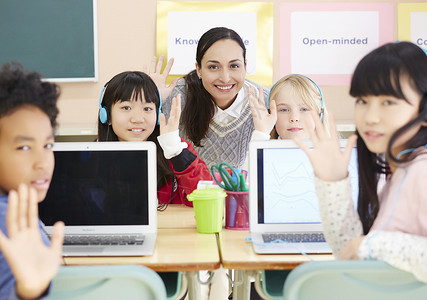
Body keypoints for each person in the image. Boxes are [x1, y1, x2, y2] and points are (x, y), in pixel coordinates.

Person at [294, 42, 427, 282]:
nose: (370, 117)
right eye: (363, 101)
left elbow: (364, 249)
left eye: (389, 102)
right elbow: (351, 255)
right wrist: (332, 182)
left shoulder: (422, 172)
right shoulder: (398, 172)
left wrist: (372, 245)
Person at [148, 27, 269, 169]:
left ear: (245, 66)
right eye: (213, 67)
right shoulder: (173, 98)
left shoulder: (265, 102)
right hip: (187, 191)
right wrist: (152, 100)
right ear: (198, 69)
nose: (225, 78)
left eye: (234, 66)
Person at [97, 71, 212, 206]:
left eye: (147, 108)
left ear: (157, 115)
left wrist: (176, 153)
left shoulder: (175, 148)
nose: (138, 119)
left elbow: (207, 199)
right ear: (106, 115)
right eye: (126, 107)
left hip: (168, 227)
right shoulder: (92, 157)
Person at [0, 63, 64, 299]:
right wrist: (29, 291)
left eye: (48, 145)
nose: (42, 162)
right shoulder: (7, 216)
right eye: (24, 147)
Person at [249, 74, 329, 140]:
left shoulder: (333, 156)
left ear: (320, 115)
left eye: (304, 109)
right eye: (284, 110)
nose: (294, 118)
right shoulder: (265, 148)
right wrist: (261, 133)